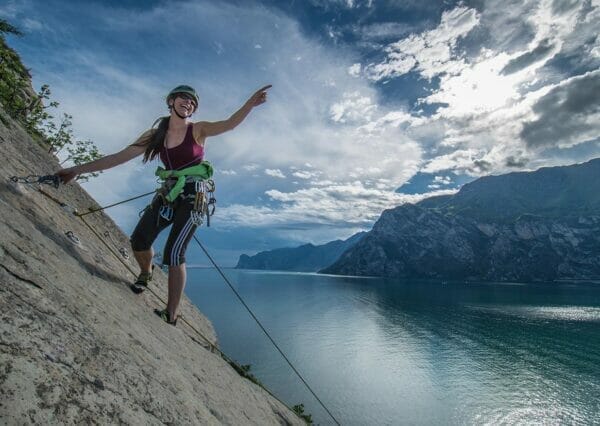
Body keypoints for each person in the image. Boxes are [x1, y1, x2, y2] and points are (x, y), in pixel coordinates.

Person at [56, 84, 272, 325]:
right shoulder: (155, 135)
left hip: (194, 195)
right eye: (183, 98)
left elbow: (229, 123)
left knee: (174, 253)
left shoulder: (198, 130)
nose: (188, 103)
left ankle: (171, 314)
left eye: (192, 102)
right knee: (139, 240)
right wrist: (77, 170)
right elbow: (118, 158)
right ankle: (146, 271)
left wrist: (250, 104)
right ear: (171, 101)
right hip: (169, 193)